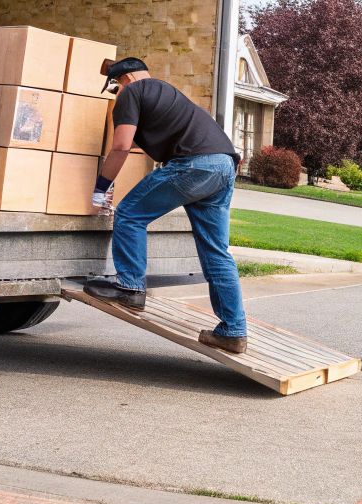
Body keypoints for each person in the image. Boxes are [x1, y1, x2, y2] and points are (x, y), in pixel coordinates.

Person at [83, 57, 249, 354]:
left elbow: (121, 145)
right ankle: (233, 331)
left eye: (115, 88)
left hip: (193, 165)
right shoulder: (166, 93)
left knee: (130, 214)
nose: (116, 94)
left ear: (125, 80)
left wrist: (100, 188)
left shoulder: (132, 93)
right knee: (216, 250)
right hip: (224, 165)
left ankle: (131, 288)